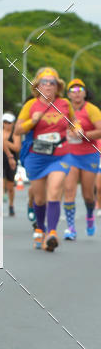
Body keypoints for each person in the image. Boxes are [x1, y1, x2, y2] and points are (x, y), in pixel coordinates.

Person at [15, 67, 74, 251]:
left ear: (58, 86)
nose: (48, 85)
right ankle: (40, 228)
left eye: (52, 82)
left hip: (60, 154)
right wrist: (32, 121)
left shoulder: (65, 104)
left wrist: (77, 128)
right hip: (37, 157)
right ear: (38, 86)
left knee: (55, 190)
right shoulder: (30, 105)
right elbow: (18, 130)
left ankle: (52, 233)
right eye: (44, 82)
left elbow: (73, 121)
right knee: (39, 199)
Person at [62, 78, 101, 239]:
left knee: (87, 194)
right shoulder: (62, 109)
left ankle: (90, 215)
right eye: (73, 90)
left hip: (89, 154)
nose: (76, 93)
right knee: (69, 190)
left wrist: (84, 135)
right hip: (69, 155)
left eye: (80, 90)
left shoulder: (91, 110)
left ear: (85, 93)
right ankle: (71, 228)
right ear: (69, 94)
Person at [2, 112, 21, 216]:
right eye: (5, 122)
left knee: (10, 185)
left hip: (12, 160)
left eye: (9, 122)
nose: (7, 124)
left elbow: (17, 148)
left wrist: (5, 142)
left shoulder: (15, 134)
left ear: (13, 123)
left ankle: (11, 205)